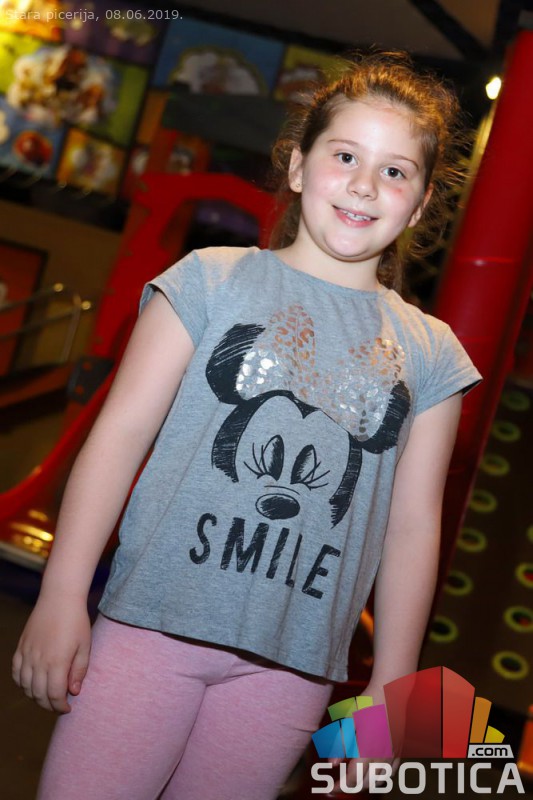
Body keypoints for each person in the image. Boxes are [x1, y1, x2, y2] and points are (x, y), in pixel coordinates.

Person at [13, 51, 482, 799]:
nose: (365, 184)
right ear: (296, 166)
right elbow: (119, 438)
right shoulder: (208, 280)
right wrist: (62, 592)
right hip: (150, 629)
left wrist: (392, 689)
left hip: (291, 671)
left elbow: (412, 527)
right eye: (345, 156)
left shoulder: (432, 354)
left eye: (394, 171)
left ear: (421, 204)